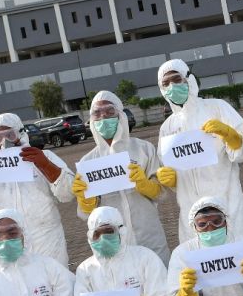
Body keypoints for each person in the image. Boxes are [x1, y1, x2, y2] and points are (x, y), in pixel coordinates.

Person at [154, 59, 243, 245]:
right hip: (191, 215)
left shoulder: (217, 108)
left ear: (189, 80)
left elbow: (241, 155)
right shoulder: (167, 127)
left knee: (241, 260)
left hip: (228, 204)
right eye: (165, 84)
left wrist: (229, 134)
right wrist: (171, 180)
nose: (172, 86)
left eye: (177, 80)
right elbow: (173, 175)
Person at [0, 112, 76, 266]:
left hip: (46, 236)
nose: (4, 142)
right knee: (15, 285)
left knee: (55, 280)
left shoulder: (45, 156)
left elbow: (67, 194)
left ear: (21, 134)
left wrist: (46, 166)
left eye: (10, 135)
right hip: (8, 240)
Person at [70, 90, 170, 261]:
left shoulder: (143, 149)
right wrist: (85, 201)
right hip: (112, 241)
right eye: (97, 113)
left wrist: (144, 184)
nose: (104, 118)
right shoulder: (88, 162)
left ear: (120, 116)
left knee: (159, 279)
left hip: (149, 235)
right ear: (92, 121)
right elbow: (88, 215)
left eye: (110, 112)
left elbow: (161, 194)